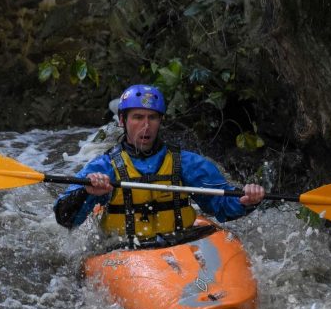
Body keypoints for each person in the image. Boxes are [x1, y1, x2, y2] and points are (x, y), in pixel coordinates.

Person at [53, 84, 265, 246]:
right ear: (122, 120)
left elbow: (222, 206)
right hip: (124, 251)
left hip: (181, 243)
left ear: (160, 120)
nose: (146, 126)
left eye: (152, 117)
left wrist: (247, 200)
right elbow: (65, 219)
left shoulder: (186, 163)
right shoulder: (104, 166)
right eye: (137, 117)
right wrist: (87, 192)